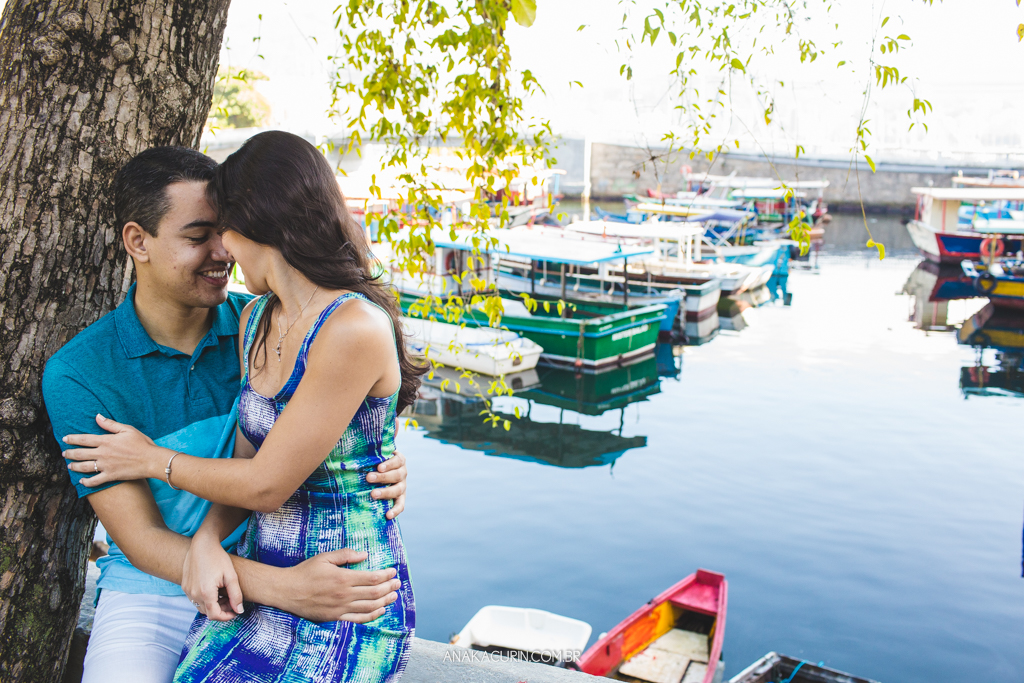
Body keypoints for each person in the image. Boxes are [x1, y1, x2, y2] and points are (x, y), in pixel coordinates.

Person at [63, 131, 423, 682]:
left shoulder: (277, 318)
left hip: (325, 578)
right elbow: (143, 537)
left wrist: (387, 465)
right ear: (138, 241)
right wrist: (232, 560)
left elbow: (290, 467)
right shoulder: (83, 372)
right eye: (198, 236)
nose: (221, 253)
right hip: (169, 585)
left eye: (222, 230)